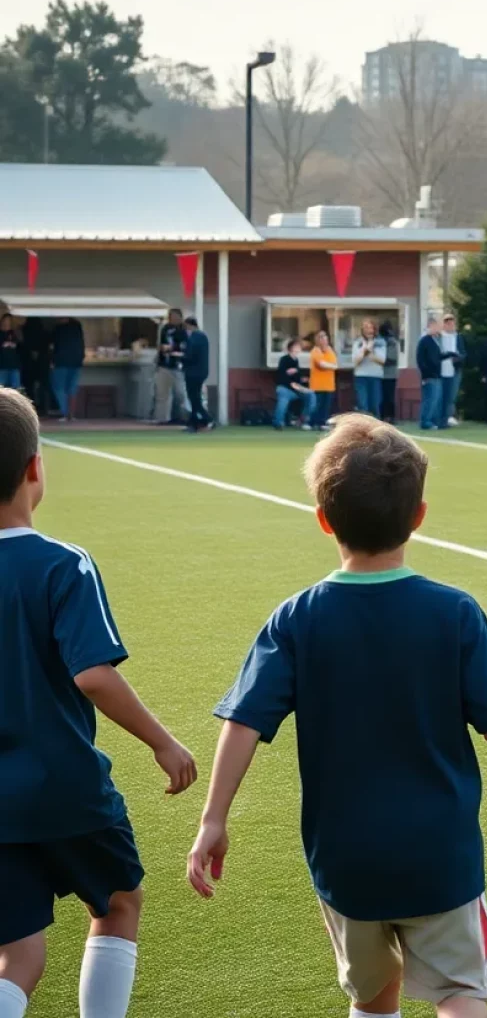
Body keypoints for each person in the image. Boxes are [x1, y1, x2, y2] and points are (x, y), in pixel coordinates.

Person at [187, 414, 487, 1018]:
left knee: (373, 1000)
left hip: (346, 860)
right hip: (439, 854)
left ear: (325, 521)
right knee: (460, 992)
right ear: (419, 515)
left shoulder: (296, 618)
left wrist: (213, 818)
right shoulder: (453, 612)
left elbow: (242, 723)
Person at [0, 388, 197, 1018]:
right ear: (35, 467)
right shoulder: (63, 565)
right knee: (117, 903)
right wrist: (163, 741)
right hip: (66, 786)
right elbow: (93, 675)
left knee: (18, 954)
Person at [273, 338, 315, 431]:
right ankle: (278, 422)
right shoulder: (284, 359)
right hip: (284, 387)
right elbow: (281, 376)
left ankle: (303, 420)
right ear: (291, 348)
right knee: (283, 399)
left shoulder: (296, 361)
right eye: (297, 347)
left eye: (299, 347)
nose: (299, 349)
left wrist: (302, 380)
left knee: (311, 395)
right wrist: (289, 376)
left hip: (295, 388)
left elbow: (296, 378)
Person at [154, 308, 187, 425]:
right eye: (171, 316)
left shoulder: (184, 330)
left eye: (174, 316)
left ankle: (179, 416)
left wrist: (172, 348)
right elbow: (161, 345)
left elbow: (185, 346)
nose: (172, 318)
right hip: (164, 365)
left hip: (178, 366)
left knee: (180, 393)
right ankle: (162, 418)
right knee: (162, 393)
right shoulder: (165, 329)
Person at [182, 316, 214, 433]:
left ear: (190, 325)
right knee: (195, 399)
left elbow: (190, 356)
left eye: (186, 326)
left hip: (193, 372)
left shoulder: (194, 338)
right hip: (201, 371)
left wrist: (180, 356)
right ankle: (195, 422)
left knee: (194, 399)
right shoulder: (203, 336)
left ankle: (206, 419)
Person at [50, 316, 85, 422]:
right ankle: (72, 414)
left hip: (61, 362)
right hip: (76, 362)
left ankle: (65, 413)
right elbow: (82, 344)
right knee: (72, 388)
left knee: (59, 388)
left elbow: (53, 345)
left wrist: (52, 360)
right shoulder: (77, 327)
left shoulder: (58, 329)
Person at [353, 320, 386, 419]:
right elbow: (356, 361)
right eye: (366, 328)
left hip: (375, 376)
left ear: (374, 329)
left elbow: (382, 360)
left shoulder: (380, 342)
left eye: (370, 327)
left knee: (375, 404)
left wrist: (370, 352)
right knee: (363, 404)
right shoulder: (358, 342)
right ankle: (364, 428)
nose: (368, 330)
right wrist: (364, 350)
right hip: (361, 376)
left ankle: (375, 429)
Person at [416, 318, 444, 431]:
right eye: (436, 326)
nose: (438, 329)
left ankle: (433, 420)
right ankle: (425, 422)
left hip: (437, 375)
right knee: (430, 399)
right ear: (430, 326)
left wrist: (449, 355)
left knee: (436, 399)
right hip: (429, 376)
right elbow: (420, 359)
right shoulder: (424, 341)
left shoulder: (435, 340)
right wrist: (425, 374)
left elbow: (438, 357)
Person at [440, 313, 467, 428]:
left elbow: (464, 353)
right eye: (447, 323)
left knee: (451, 395)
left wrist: (458, 358)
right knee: (441, 395)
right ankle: (440, 418)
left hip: (455, 370)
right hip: (440, 370)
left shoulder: (458, 337)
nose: (450, 325)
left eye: (452, 323)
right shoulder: (439, 337)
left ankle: (448, 417)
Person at [309, 330, 338, 431]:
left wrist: (331, 365)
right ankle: (311, 423)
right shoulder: (315, 351)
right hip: (317, 384)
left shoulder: (330, 351)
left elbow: (335, 364)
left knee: (326, 406)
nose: (323, 339)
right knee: (317, 405)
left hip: (329, 384)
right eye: (320, 337)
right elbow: (321, 364)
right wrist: (331, 366)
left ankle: (323, 423)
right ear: (316, 340)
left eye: (325, 337)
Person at [380, 320, 400, 425]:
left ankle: (390, 417)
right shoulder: (380, 341)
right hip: (381, 374)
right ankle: (384, 416)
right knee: (384, 397)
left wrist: (380, 360)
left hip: (390, 374)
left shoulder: (392, 342)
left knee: (389, 397)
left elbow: (392, 359)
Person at [0, 313, 20, 389]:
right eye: (5, 321)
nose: (7, 323)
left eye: (9, 321)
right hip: (2, 366)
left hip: (14, 366)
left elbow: (20, 347)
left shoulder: (14, 333)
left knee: (16, 391)